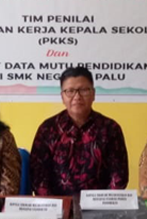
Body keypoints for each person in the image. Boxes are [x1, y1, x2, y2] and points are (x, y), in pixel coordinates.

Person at [30, 67, 129, 195]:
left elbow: (119, 176)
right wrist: (55, 204)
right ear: (62, 97)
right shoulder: (48, 129)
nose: (77, 96)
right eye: (70, 91)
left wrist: (105, 203)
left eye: (84, 90)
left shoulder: (110, 128)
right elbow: (38, 177)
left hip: (100, 203)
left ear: (93, 94)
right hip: (58, 204)